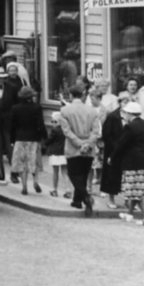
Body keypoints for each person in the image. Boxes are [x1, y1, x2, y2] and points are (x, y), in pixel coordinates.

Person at [113, 101, 144, 226]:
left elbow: (121, 144)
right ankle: (130, 213)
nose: (124, 115)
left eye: (125, 113)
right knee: (136, 190)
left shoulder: (129, 127)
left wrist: (113, 157)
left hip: (133, 164)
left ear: (130, 114)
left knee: (136, 192)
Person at [59, 84, 100, 215]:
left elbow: (67, 131)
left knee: (73, 174)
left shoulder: (65, 111)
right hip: (89, 148)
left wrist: (79, 143)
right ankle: (77, 201)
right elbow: (96, 131)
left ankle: (85, 197)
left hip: (73, 147)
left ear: (70, 96)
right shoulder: (93, 111)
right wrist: (87, 144)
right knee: (83, 174)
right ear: (83, 95)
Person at [9, 87, 46, 195]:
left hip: (20, 138)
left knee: (22, 164)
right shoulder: (37, 108)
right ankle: (35, 182)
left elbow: (12, 126)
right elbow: (40, 124)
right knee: (34, 162)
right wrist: (43, 137)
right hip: (34, 138)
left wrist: (12, 139)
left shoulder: (15, 108)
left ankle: (24, 186)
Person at [99, 92, 130, 208]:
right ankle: (111, 199)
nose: (126, 103)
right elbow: (106, 134)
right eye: (124, 101)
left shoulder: (132, 116)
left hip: (127, 151)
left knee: (127, 176)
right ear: (120, 102)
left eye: (128, 101)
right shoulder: (112, 116)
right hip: (113, 150)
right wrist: (116, 146)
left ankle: (128, 200)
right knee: (112, 174)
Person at [44, 111, 67, 197]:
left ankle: (55, 189)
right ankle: (68, 189)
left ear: (59, 121)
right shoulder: (65, 130)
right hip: (63, 153)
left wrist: (45, 143)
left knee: (55, 172)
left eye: (55, 121)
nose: (53, 123)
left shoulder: (54, 130)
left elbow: (48, 141)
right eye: (52, 121)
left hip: (55, 153)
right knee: (65, 172)